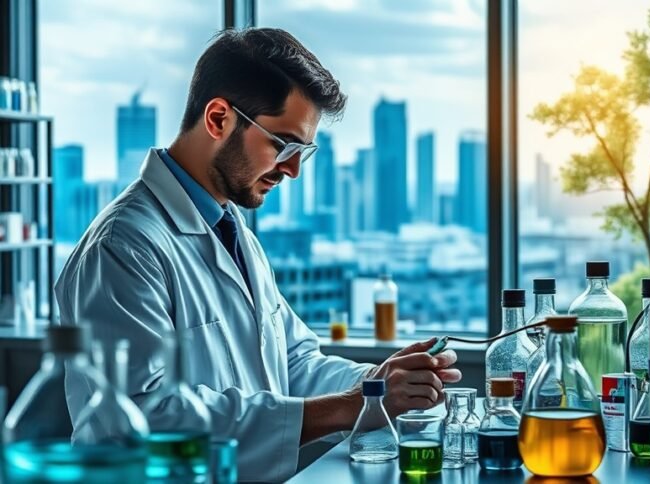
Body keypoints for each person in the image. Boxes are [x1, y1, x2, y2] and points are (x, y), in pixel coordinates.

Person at [54, 28, 460, 482]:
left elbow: (293, 362)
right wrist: (353, 405)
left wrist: (380, 384)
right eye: (282, 144)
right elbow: (143, 419)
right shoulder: (123, 246)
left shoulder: (232, 230)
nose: (292, 169)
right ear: (218, 119)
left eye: (303, 151)